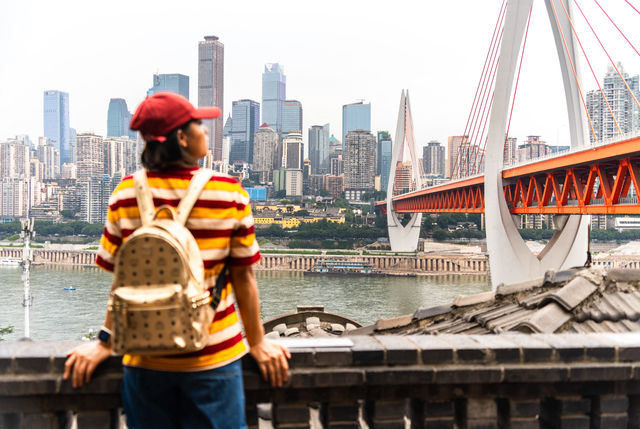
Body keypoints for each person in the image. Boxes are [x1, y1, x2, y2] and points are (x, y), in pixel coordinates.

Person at [64, 91, 290, 428]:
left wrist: (103, 342)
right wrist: (258, 343)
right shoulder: (228, 192)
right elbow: (244, 279)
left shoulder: (125, 193)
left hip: (145, 362)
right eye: (198, 124)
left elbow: (123, 283)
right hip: (214, 359)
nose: (205, 131)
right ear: (182, 138)